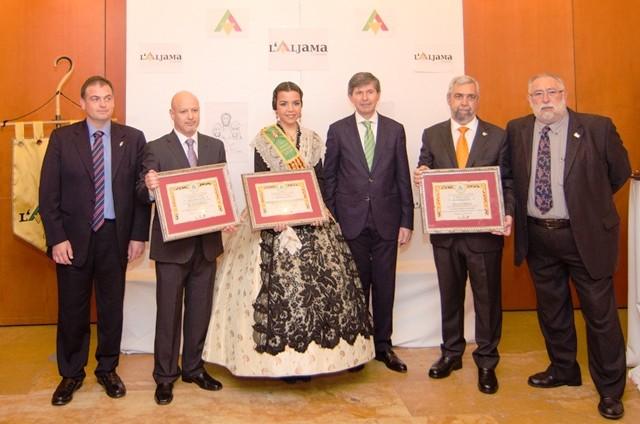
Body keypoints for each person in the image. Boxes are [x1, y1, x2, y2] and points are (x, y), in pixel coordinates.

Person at [202, 81, 374, 379]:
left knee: (321, 288)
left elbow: (319, 179)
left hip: (310, 217)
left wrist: (320, 209)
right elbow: (260, 181)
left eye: (295, 103)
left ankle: (322, 358)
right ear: (275, 107)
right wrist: (273, 216)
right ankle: (284, 361)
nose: (290, 109)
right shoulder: (265, 140)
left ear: (301, 106)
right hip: (276, 220)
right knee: (283, 289)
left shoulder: (313, 139)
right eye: (284, 103)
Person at [507, 73, 630, 420]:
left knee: (600, 315)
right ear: (529, 98)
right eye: (538, 94)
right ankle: (563, 369)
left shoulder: (597, 128)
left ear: (564, 93)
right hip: (538, 236)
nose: (545, 99)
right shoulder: (518, 129)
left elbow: (619, 173)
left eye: (552, 92)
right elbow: (510, 175)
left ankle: (610, 389)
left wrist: (586, 204)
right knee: (552, 310)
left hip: (585, 236)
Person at [39, 75, 150, 406]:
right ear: (83, 103)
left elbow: (140, 194)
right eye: (95, 98)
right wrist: (57, 238)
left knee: (112, 308)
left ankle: (107, 369)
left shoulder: (132, 138)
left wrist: (137, 236)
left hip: (115, 237)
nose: (102, 103)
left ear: (114, 101)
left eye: (107, 98)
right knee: (72, 310)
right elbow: (48, 194)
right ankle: (71, 374)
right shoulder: (62, 139)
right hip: (72, 241)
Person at [414, 75, 513, 394]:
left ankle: (487, 361)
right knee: (450, 296)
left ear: (477, 101)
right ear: (449, 99)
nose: (464, 103)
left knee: (487, 300)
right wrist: (421, 175)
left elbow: (508, 182)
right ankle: (451, 353)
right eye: (459, 96)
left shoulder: (498, 136)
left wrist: (507, 213)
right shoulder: (432, 134)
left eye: (470, 97)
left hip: (485, 235)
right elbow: (424, 168)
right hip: (446, 236)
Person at [137, 91, 228, 405]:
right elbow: (141, 191)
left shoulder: (215, 146)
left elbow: (220, 190)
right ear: (172, 114)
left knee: (200, 312)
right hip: (172, 249)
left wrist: (226, 215)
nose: (190, 116)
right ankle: (165, 377)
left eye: (195, 110)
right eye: (184, 111)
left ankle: (193, 368)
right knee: (168, 315)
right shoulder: (155, 147)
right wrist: (150, 188)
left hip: (206, 246)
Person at [324, 72, 413, 373]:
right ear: (351, 96)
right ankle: (358, 347)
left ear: (378, 94)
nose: (365, 97)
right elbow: (330, 178)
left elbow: (402, 176)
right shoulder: (338, 130)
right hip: (351, 222)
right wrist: (334, 218)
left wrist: (407, 220)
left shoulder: (395, 129)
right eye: (359, 92)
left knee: (385, 286)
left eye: (370, 91)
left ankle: (383, 346)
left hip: (387, 220)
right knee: (356, 286)